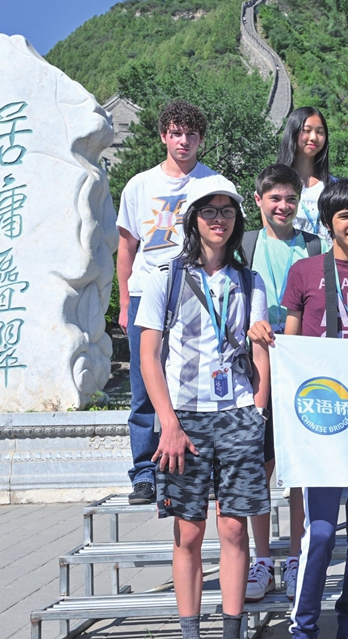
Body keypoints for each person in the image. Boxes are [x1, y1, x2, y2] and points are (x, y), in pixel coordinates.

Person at [249, 179, 348, 639]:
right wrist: (265, 344)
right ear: (330, 224)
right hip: (324, 420)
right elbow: (291, 344)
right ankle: (305, 628)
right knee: (321, 532)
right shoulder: (305, 271)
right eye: (345, 216)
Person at [134, 175, 270, 639]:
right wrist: (167, 424)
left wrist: (258, 411)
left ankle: (232, 629)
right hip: (185, 418)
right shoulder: (164, 278)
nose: (219, 219)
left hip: (236, 414)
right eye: (209, 211)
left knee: (234, 530)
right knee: (188, 533)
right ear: (193, 219)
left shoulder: (250, 282)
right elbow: (148, 356)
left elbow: (260, 351)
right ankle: (190, 630)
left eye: (227, 211)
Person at [116, 101, 219, 505]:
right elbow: (126, 249)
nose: (183, 141)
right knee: (144, 387)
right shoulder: (139, 186)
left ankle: (197, 465)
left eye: (191, 134)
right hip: (146, 291)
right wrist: (125, 302)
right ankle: (144, 472)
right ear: (163, 136)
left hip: (196, 293)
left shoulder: (212, 183)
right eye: (176, 133)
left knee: (195, 382)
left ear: (201, 140)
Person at [241, 164, 327, 602]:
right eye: (274, 198)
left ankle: (295, 557)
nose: (283, 206)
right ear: (258, 200)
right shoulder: (245, 244)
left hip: (300, 365)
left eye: (290, 199)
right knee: (260, 464)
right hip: (253, 365)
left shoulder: (312, 245)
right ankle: (261, 559)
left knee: (297, 468)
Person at [277, 107, 333, 243]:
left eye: (320, 132)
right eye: (306, 131)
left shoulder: (333, 186)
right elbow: (270, 236)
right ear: (293, 132)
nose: (314, 138)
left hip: (326, 261)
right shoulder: (273, 185)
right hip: (290, 261)